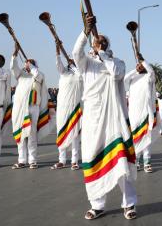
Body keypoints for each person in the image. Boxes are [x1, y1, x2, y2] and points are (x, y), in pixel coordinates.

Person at [74, 16, 137, 220]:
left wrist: (103, 55)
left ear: (107, 46)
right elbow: (76, 52)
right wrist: (85, 31)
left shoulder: (116, 62)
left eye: (102, 42)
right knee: (93, 159)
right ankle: (97, 205)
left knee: (121, 163)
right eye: (96, 41)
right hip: (92, 119)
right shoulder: (86, 63)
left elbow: (117, 74)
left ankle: (129, 204)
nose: (98, 43)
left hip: (113, 119)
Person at [10, 45, 52, 170]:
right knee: (21, 134)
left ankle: (32, 160)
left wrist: (32, 66)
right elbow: (13, 67)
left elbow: (37, 74)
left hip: (33, 108)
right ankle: (21, 160)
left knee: (32, 135)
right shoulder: (21, 75)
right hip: (19, 109)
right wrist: (15, 54)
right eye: (27, 63)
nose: (28, 65)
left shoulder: (39, 75)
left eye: (31, 63)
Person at [51, 42, 83, 171]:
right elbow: (58, 65)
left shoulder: (80, 74)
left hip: (76, 108)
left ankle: (74, 161)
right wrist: (57, 51)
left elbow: (81, 75)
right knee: (62, 132)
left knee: (75, 134)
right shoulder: (64, 73)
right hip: (63, 108)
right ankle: (62, 160)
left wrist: (74, 64)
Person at [124, 55, 156, 173]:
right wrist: (134, 70)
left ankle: (147, 163)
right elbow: (124, 79)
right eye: (138, 65)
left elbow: (152, 72)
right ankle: (136, 161)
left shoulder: (149, 77)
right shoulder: (132, 78)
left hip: (145, 112)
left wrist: (143, 61)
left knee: (146, 138)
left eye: (142, 66)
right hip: (133, 113)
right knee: (135, 139)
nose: (140, 67)